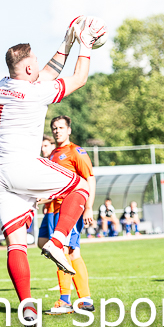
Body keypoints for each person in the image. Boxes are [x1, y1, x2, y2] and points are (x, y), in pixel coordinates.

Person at [0, 16, 104, 327]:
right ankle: (58, 240)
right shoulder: (34, 94)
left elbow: (46, 72)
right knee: (80, 186)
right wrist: (85, 46)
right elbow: (78, 79)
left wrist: (66, 42)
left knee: (16, 244)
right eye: (34, 62)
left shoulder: (4, 84)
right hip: (20, 166)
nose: (39, 66)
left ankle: (27, 309)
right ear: (26, 69)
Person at [38, 115, 96, 315]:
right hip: (54, 211)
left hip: (70, 211)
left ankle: (67, 300)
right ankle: (84, 300)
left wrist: (88, 207)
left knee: (66, 251)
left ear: (69, 130)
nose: (57, 131)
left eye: (61, 127)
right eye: (54, 128)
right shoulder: (53, 154)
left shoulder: (76, 152)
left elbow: (89, 179)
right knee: (54, 247)